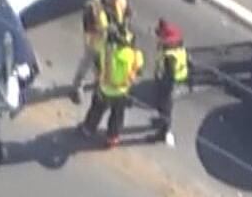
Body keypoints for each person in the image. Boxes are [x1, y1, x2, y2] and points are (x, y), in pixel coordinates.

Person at [78, 25, 143, 148]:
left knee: (96, 110)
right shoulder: (134, 55)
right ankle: (112, 138)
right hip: (122, 92)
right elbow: (139, 69)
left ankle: (88, 129)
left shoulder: (106, 52)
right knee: (117, 116)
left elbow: (96, 62)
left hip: (105, 89)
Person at [152, 19, 190, 147]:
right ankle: (163, 122)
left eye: (160, 36)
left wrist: (162, 84)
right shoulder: (177, 47)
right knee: (163, 105)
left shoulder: (170, 56)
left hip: (170, 83)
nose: (158, 38)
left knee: (165, 106)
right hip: (176, 80)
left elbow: (169, 75)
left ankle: (164, 131)